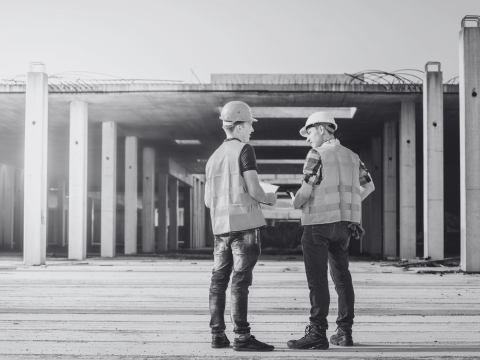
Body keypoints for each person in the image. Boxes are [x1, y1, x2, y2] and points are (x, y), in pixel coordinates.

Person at [287, 111, 375, 350]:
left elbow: (306, 191)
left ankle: (317, 333)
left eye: (309, 132)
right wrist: (349, 204)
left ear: (323, 129)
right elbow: (369, 186)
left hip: (318, 225)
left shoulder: (317, 154)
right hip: (344, 227)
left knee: (317, 280)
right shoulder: (353, 156)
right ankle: (344, 332)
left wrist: (294, 203)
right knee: (342, 279)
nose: (307, 138)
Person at [205, 101, 278, 352]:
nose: (252, 130)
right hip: (244, 229)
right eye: (249, 125)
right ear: (238, 126)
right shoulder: (244, 149)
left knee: (218, 282)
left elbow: (207, 200)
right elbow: (256, 191)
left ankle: (217, 335)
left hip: (220, 230)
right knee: (240, 282)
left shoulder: (213, 158)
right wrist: (271, 197)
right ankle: (243, 337)